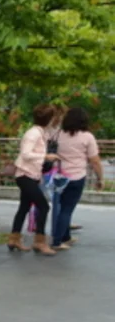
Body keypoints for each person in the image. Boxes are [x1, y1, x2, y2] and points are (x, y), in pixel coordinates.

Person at [7, 105, 60, 255]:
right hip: (25, 175)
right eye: (53, 118)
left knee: (24, 207)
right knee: (43, 207)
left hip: (30, 175)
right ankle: (39, 242)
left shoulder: (40, 133)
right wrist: (46, 156)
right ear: (49, 119)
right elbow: (25, 154)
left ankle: (14, 239)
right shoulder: (34, 134)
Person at [53, 107, 103, 250]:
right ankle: (57, 242)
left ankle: (66, 237)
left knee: (62, 207)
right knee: (67, 209)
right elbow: (95, 161)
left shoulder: (59, 134)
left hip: (59, 176)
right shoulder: (87, 137)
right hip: (76, 177)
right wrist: (100, 179)